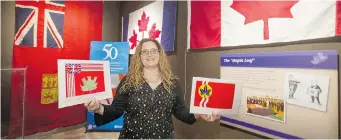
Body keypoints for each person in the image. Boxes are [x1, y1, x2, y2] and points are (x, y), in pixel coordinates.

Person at [84, 38, 220, 139]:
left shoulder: (172, 82)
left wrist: (199, 113)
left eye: (153, 51)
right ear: (139, 56)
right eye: (145, 52)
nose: (149, 55)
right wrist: (98, 108)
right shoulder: (128, 81)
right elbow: (116, 110)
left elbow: (180, 111)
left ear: (160, 54)